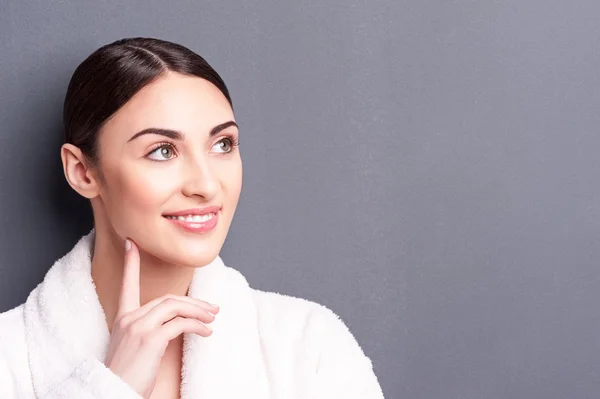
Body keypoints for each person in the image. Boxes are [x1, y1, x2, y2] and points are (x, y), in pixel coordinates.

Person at [0, 37, 384, 399]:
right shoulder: (9, 358)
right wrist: (111, 386)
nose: (206, 184)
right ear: (83, 172)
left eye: (222, 144)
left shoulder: (309, 348)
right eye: (163, 151)